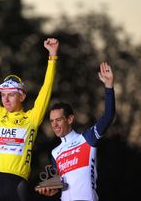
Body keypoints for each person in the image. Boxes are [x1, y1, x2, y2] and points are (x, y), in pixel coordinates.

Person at [0, 33, 59, 201]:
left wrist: (52, 57)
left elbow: (46, 89)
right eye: (3, 95)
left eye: (11, 95)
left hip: (16, 184)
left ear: (22, 96)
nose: (5, 99)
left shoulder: (31, 119)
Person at [36, 62, 115, 201]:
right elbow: (60, 185)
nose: (54, 125)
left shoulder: (87, 138)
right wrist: (51, 189)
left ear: (70, 119)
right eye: (52, 121)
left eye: (59, 120)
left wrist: (109, 86)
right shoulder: (55, 153)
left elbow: (108, 116)